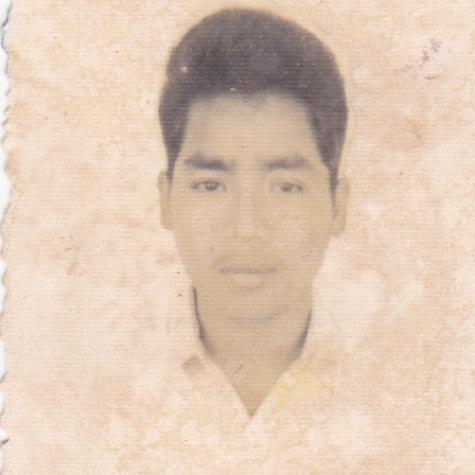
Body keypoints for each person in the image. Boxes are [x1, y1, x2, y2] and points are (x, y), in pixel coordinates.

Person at [158, 8, 349, 418]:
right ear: (166, 199)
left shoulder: (410, 384)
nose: (246, 228)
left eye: (286, 187)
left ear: (338, 205)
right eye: (211, 186)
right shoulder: (94, 385)